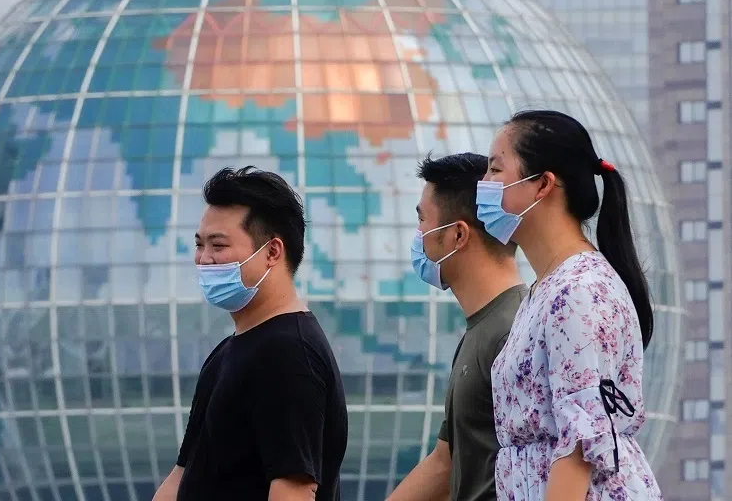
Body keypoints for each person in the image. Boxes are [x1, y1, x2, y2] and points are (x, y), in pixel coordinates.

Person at [480, 110, 662, 500]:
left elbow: (580, 445)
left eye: (495, 170)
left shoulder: (577, 292)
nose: (483, 185)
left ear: (543, 184)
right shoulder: (548, 288)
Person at [152, 166, 348, 501]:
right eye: (200, 245)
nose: (204, 259)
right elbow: (182, 474)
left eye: (219, 245)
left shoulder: (290, 353)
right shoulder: (231, 349)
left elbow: (293, 490)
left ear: (273, 252)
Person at [388, 152, 527, 501]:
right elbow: (445, 461)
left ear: (458, 235)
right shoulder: (480, 331)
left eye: (423, 221)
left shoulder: (516, 331)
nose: (418, 236)